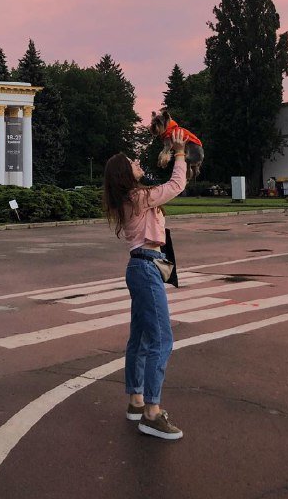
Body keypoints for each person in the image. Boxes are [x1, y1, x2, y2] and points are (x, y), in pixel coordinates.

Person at [103, 130, 188, 441]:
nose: (137, 161)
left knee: (140, 337)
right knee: (161, 340)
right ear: (126, 173)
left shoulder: (132, 198)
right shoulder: (138, 198)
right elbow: (177, 185)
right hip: (146, 269)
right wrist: (180, 153)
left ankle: (136, 401)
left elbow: (162, 187)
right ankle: (152, 413)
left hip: (139, 267)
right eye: (132, 161)